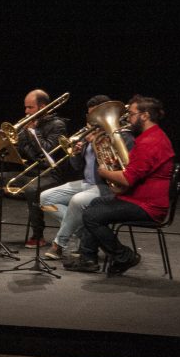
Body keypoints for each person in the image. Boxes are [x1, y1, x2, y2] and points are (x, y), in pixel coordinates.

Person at [66, 96, 174, 274]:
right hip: (138, 197)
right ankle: (88, 258)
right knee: (94, 205)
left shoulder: (151, 142)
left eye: (131, 114)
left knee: (92, 216)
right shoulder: (151, 137)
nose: (128, 119)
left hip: (147, 205)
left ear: (145, 115)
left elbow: (127, 179)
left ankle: (124, 256)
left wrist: (105, 172)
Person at [0, 89, 68, 247]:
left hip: (49, 175)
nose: (26, 112)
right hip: (29, 172)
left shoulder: (57, 125)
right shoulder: (28, 126)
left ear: (43, 106)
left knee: (32, 189)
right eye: (25, 107)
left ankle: (38, 235)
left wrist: (31, 132)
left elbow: (46, 154)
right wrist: (9, 146)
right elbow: (27, 155)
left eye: (30, 107)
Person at [40, 96, 135, 260]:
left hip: (107, 186)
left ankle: (58, 245)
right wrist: (75, 153)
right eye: (90, 116)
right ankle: (86, 233)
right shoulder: (89, 137)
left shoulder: (123, 137)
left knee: (77, 201)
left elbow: (121, 169)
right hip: (86, 183)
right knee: (46, 198)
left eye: (95, 117)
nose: (92, 121)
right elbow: (76, 166)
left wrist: (97, 145)